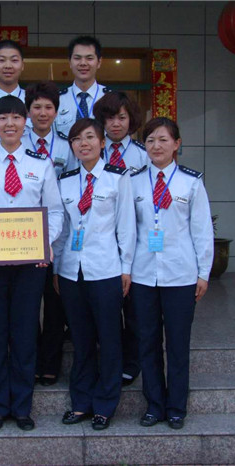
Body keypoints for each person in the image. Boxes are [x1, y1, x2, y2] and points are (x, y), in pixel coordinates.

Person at [0, 95, 64, 432]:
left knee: (23, 335)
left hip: (29, 265)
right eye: (3, 118)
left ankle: (21, 407)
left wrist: (45, 243)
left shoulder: (41, 164)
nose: (9, 124)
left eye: (16, 118)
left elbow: (55, 212)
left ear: (25, 123)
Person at [129, 117, 213, 430]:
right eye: (150, 140)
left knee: (178, 344)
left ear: (176, 144)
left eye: (163, 139)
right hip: (143, 275)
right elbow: (127, 229)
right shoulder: (133, 181)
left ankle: (177, 406)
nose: (156, 146)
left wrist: (203, 273)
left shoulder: (191, 182)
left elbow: (201, 230)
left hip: (181, 275)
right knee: (147, 342)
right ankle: (154, 405)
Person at [53, 118, 136, 430]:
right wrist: (58, 268)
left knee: (109, 338)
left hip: (106, 270)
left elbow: (126, 226)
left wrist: (126, 268)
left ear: (102, 143)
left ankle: (105, 404)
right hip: (72, 271)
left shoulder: (117, 178)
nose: (83, 143)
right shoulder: (66, 181)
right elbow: (62, 230)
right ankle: (81, 403)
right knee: (81, 339)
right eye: (76, 139)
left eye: (89, 137)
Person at [93, 90, 149, 387]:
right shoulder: (93, 149)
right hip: (100, 239)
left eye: (122, 118)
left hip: (136, 236)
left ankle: (132, 362)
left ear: (132, 120)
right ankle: (105, 358)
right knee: (105, 308)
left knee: (133, 306)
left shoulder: (142, 154)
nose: (116, 124)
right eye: (110, 118)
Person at [23, 81, 76, 387]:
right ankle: (30, 360)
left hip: (59, 234)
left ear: (57, 111)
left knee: (55, 305)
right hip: (22, 239)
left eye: (48, 107)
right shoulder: (17, 143)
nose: (42, 113)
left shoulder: (67, 147)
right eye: (37, 107)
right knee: (28, 306)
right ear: (28, 111)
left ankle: (50, 363)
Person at [55, 36, 109, 136]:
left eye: (89, 58)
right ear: (70, 62)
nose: (83, 63)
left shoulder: (110, 98)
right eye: (77, 58)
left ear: (99, 62)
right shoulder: (57, 100)